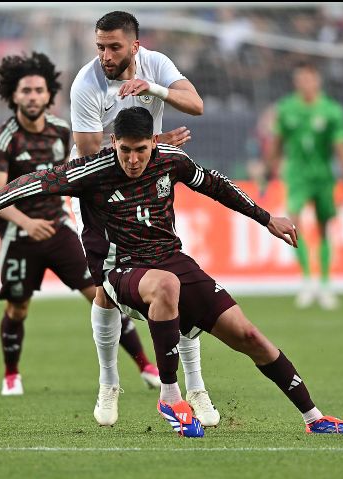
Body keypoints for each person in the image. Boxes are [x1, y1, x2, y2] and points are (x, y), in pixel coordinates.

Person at [0, 107, 343, 437]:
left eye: (141, 150)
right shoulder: (90, 171)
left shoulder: (171, 160)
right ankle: (169, 394)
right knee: (166, 286)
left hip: (170, 258)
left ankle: (314, 417)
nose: (132, 159)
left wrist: (267, 218)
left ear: (153, 144)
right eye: (125, 149)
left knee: (249, 335)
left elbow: (216, 185)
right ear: (113, 143)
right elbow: (33, 182)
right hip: (118, 268)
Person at [68, 11, 218, 428]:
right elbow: (85, 157)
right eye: (99, 46)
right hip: (101, 193)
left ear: (135, 45)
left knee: (175, 280)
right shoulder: (86, 84)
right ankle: (109, 382)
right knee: (104, 289)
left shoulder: (156, 64)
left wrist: (152, 92)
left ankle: (196, 387)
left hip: (150, 182)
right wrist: (148, 148)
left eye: (113, 46)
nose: (105, 55)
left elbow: (197, 105)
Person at [0, 52, 161, 397]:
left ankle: (145, 365)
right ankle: (11, 375)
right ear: (14, 96)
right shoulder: (5, 139)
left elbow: (93, 165)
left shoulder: (64, 131)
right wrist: (26, 222)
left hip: (60, 229)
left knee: (103, 293)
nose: (33, 96)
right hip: (19, 234)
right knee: (18, 308)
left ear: (49, 94)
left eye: (39, 90)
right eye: (26, 91)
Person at [264, 61, 343, 311]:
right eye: (300, 79)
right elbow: (277, 142)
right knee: (292, 222)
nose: (304, 83)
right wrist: (267, 169)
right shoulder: (286, 109)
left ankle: (325, 283)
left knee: (324, 228)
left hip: (323, 176)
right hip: (296, 176)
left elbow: (341, 147)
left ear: (317, 81)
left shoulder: (331, 110)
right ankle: (307, 281)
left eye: (309, 78)